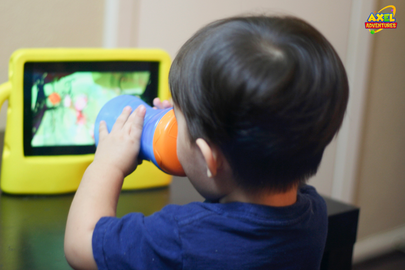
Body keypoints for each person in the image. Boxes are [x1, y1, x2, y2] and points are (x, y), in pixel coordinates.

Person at [64, 15, 349, 270]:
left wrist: (108, 164)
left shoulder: (182, 236)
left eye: (177, 118)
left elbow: (81, 245)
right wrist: (192, 130)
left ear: (209, 157)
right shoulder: (313, 213)